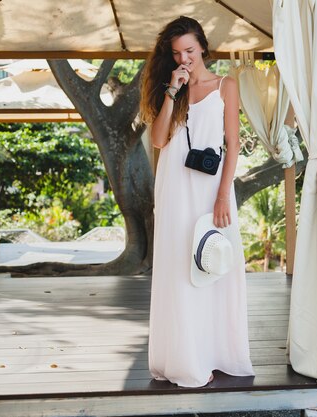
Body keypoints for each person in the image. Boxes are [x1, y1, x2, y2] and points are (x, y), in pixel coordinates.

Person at [140, 16, 254, 387]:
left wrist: (223, 195)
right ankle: (186, 357)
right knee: (179, 269)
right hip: (175, 187)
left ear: (203, 46)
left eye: (189, 50)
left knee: (215, 265)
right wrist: (173, 91)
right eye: (177, 54)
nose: (184, 59)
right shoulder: (173, 87)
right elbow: (158, 142)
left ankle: (217, 351)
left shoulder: (226, 85)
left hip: (210, 189)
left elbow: (233, 145)